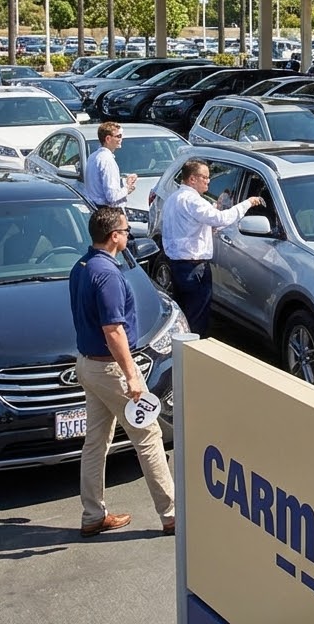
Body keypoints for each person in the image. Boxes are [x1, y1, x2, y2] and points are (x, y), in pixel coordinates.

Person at [70, 206, 175, 537]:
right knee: (149, 436)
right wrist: (132, 376)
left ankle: (92, 515)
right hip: (111, 370)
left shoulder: (82, 266)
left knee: (96, 441)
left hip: (88, 365)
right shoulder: (109, 275)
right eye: (127, 231)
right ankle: (173, 515)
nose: (130, 236)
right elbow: (113, 329)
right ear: (114, 236)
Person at [160, 158, 267, 337]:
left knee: (184, 316)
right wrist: (248, 203)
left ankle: (179, 356)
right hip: (194, 268)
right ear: (192, 179)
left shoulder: (174, 198)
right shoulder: (193, 200)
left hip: (177, 265)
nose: (208, 181)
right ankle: (192, 356)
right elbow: (221, 219)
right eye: (205, 177)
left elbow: (191, 226)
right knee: (196, 319)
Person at [84, 121, 137, 209]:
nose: (121, 139)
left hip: (95, 209)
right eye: (118, 136)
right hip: (109, 211)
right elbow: (112, 196)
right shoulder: (107, 160)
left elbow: (100, 185)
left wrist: (124, 182)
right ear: (108, 139)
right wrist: (127, 188)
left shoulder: (93, 157)